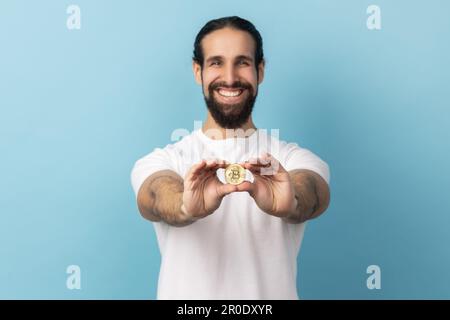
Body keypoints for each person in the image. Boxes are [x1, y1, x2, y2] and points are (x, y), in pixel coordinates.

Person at [131, 16, 330, 299]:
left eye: (243, 62)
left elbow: (313, 191)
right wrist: (185, 206)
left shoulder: (293, 159)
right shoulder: (163, 161)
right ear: (197, 71)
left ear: (260, 71)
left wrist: (292, 201)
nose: (230, 77)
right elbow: (155, 195)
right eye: (216, 62)